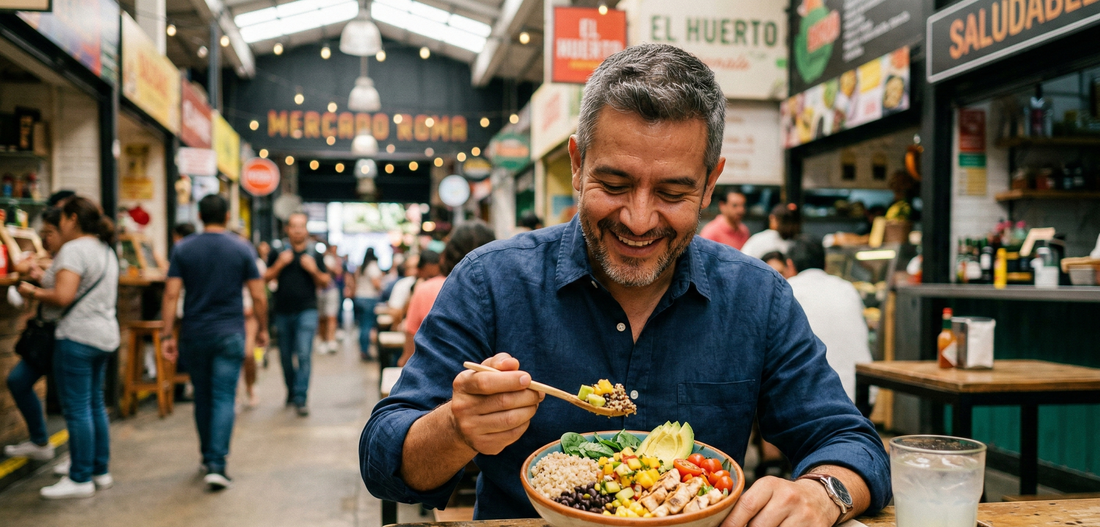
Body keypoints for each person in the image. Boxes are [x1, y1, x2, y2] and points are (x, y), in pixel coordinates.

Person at [360, 44, 889, 526]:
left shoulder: (757, 297)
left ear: (710, 184)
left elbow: (852, 441)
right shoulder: (490, 281)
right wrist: (456, 427)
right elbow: (383, 460)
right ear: (576, 163)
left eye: (673, 192)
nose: (638, 220)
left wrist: (824, 492)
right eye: (613, 185)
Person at [160, 195, 267, 491]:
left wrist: (168, 334)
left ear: (199, 215)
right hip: (230, 333)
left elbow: (170, 295)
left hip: (195, 333)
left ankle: (207, 457)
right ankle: (218, 464)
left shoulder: (183, 248)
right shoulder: (241, 248)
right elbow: (258, 295)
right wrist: (262, 329)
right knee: (223, 396)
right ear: (228, 214)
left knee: (203, 396)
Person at [19, 197, 119, 499]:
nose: (59, 224)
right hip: (104, 335)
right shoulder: (105, 249)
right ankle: (99, 471)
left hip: (77, 336)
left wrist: (33, 291)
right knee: (94, 404)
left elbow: (63, 297)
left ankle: (80, 477)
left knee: (77, 409)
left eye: (61, 219)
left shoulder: (75, 250)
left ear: (72, 219)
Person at [4, 208, 65, 463]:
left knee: (78, 401)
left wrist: (35, 291)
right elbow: (22, 264)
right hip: (52, 336)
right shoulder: (54, 257)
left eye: (49, 232)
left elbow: (62, 295)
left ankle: (84, 464)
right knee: (19, 381)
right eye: (42, 233)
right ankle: (41, 441)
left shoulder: (72, 256)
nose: (45, 238)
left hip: (67, 336)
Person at [783, 238, 873, 403]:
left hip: (815, 400)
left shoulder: (789, 290)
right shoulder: (847, 288)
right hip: (862, 395)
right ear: (825, 264)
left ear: (790, 265)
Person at [398, 222, 495, 367]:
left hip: (438, 377)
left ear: (449, 251)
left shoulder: (426, 289)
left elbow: (410, 347)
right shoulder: (501, 292)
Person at [264, 212, 328, 417]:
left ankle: (301, 398)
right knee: (284, 356)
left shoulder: (314, 253)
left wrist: (313, 270)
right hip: (282, 311)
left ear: (306, 229)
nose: (298, 230)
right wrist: (279, 264)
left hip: (307, 310)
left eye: (301, 226)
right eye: (294, 226)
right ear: (287, 229)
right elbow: (265, 277)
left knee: (303, 354)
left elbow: (325, 281)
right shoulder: (278, 252)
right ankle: (291, 390)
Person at [348, 247, 382, 360]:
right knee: (367, 326)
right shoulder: (373, 266)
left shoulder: (362, 267)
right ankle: (365, 352)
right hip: (368, 299)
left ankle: (363, 349)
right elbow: (376, 284)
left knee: (362, 325)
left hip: (359, 297)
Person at [317, 243, 345, 355]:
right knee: (322, 317)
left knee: (331, 316)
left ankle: (331, 340)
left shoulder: (335, 260)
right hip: (320, 291)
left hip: (331, 289)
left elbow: (339, 273)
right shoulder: (317, 258)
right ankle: (323, 340)